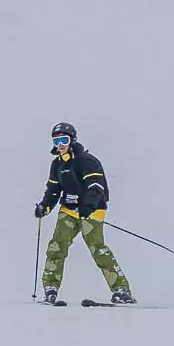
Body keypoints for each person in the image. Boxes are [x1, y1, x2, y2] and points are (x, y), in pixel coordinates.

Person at [36, 122, 133, 305]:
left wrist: (88, 206)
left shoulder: (86, 161)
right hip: (69, 210)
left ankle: (122, 289)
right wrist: (44, 207)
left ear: (72, 140)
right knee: (57, 246)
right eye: (57, 141)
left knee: (97, 247)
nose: (60, 145)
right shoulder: (57, 164)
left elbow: (96, 186)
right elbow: (53, 191)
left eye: (64, 140)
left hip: (92, 210)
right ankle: (50, 288)